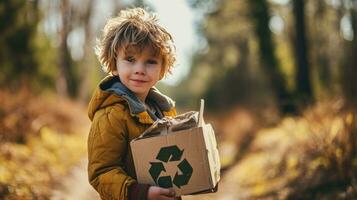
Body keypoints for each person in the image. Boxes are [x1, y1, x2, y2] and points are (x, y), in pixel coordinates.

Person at [87, 7, 179, 200]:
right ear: (114, 62)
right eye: (130, 59)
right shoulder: (111, 115)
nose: (139, 69)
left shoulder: (163, 111)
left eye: (151, 62)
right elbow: (101, 173)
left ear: (163, 69)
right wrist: (142, 193)